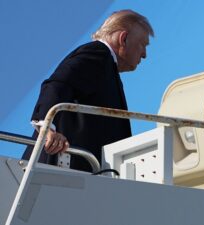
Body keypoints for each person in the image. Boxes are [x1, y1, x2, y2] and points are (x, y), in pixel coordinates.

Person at [22, 10, 154, 172]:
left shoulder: (106, 66)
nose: (145, 54)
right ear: (123, 38)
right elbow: (58, 84)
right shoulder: (98, 54)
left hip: (84, 175)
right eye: (143, 44)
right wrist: (47, 127)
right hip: (62, 170)